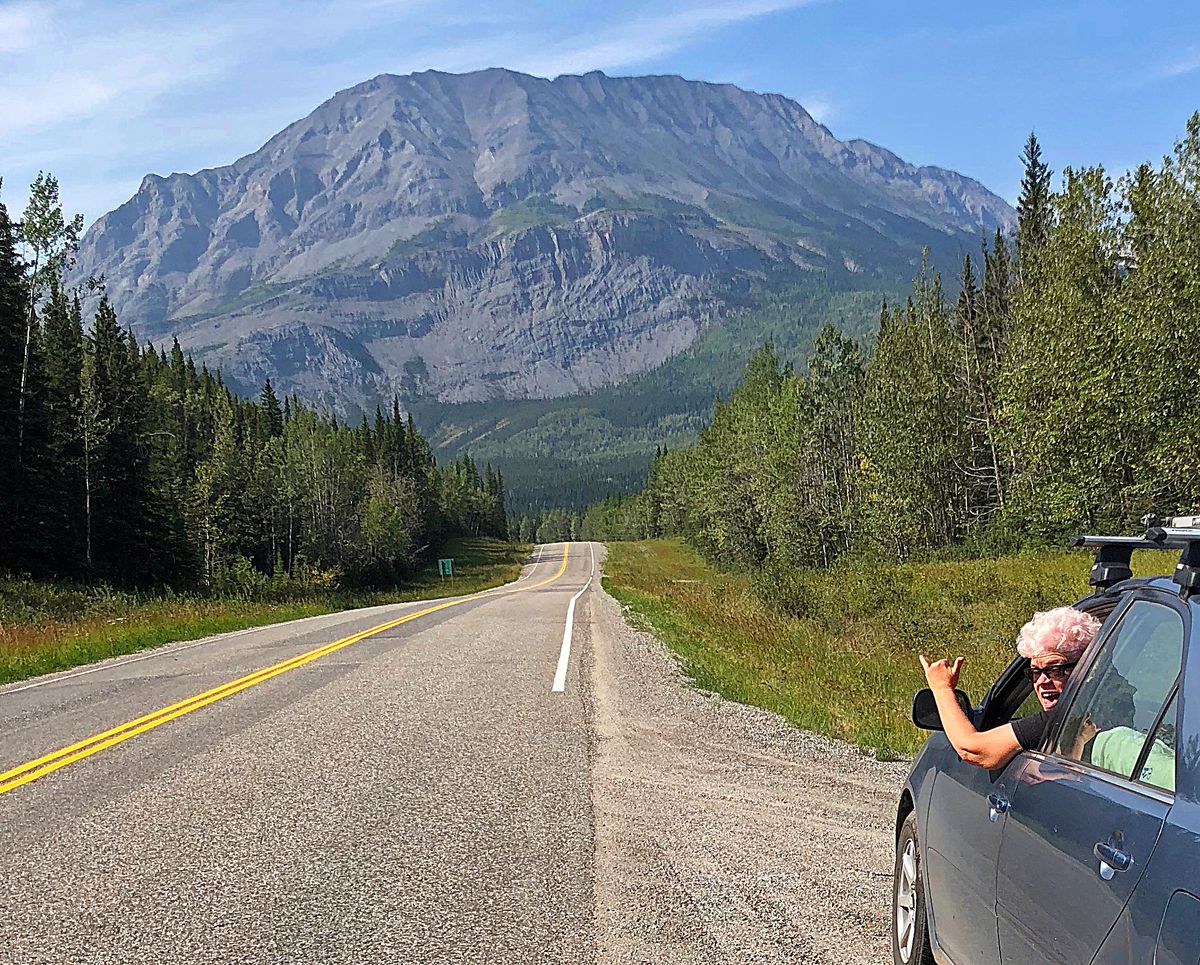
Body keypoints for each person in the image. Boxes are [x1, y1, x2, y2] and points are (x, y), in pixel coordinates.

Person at [919, 606, 1102, 770]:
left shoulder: (1059, 720)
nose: (1041, 681)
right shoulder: (1110, 710)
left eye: (1055, 670)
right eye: (1035, 672)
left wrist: (942, 688)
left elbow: (973, 750)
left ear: (1086, 670)